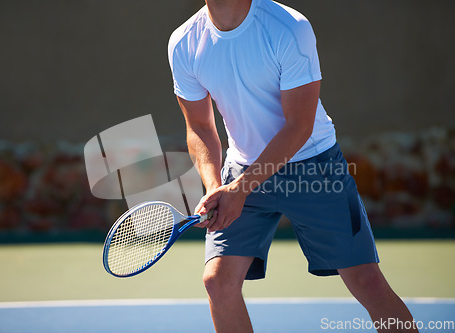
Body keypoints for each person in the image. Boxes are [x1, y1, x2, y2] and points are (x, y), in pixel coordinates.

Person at [168, 0, 418, 332]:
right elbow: (199, 127)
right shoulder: (183, 42)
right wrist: (215, 187)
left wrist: (239, 190)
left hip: (313, 166)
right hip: (240, 170)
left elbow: (298, 126)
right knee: (218, 282)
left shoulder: (289, 28)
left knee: (366, 281)